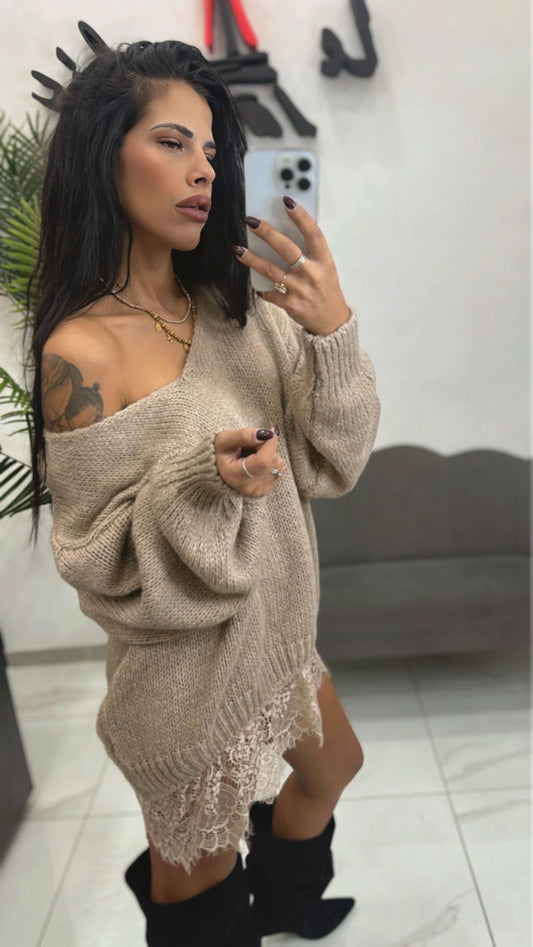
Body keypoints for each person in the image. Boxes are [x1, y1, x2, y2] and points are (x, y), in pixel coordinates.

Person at [28, 39, 380, 947]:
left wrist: (332, 332)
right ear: (102, 155)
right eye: (172, 142)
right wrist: (202, 481)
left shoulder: (238, 309)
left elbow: (332, 462)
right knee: (200, 886)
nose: (202, 170)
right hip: (184, 678)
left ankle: (288, 908)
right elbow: (100, 564)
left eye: (212, 151)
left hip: (276, 636)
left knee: (332, 765)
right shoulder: (80, 353)